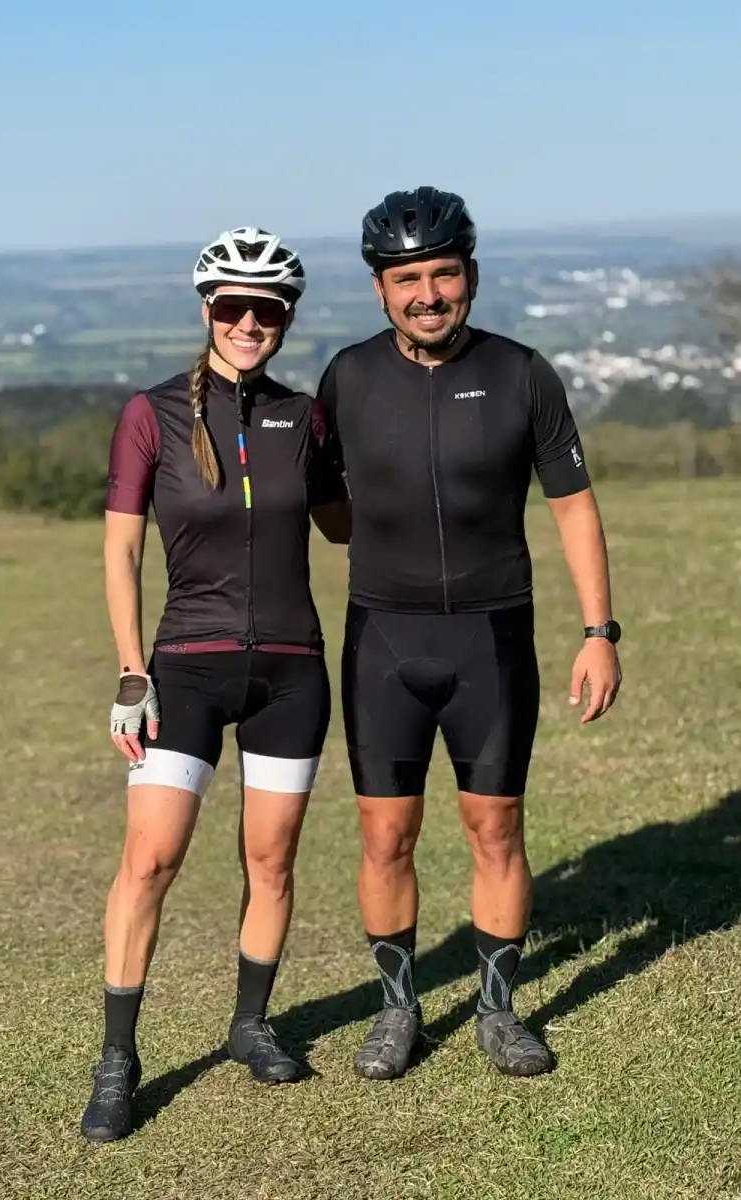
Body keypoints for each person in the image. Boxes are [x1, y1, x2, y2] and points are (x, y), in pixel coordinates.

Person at [317, 187, 622, 1081]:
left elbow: (572, 505)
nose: (427, 294)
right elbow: (328, 509)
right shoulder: (350, 376)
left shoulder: (524, 373)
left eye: (443, 274)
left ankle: (497, 1011)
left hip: (492, 638)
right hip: (384, 640)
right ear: (380, 290)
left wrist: (599, 628)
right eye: (406, 278)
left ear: (471, 276)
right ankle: (396, 1011)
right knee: (385, 838)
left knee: (496, 828)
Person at [80, 227, 350, 1143]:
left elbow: (346, 526)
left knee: (271, 862)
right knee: (150, 861)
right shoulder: (150, 415)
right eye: (232, 307)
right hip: (183, 672)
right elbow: (120, 547)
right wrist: (128, 671)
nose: (248, 322)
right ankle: (118, 1060)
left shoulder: (304, 418)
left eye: (265, 310)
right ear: (206, 311)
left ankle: (250, 1026)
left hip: (291, 671)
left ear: (284, 321)